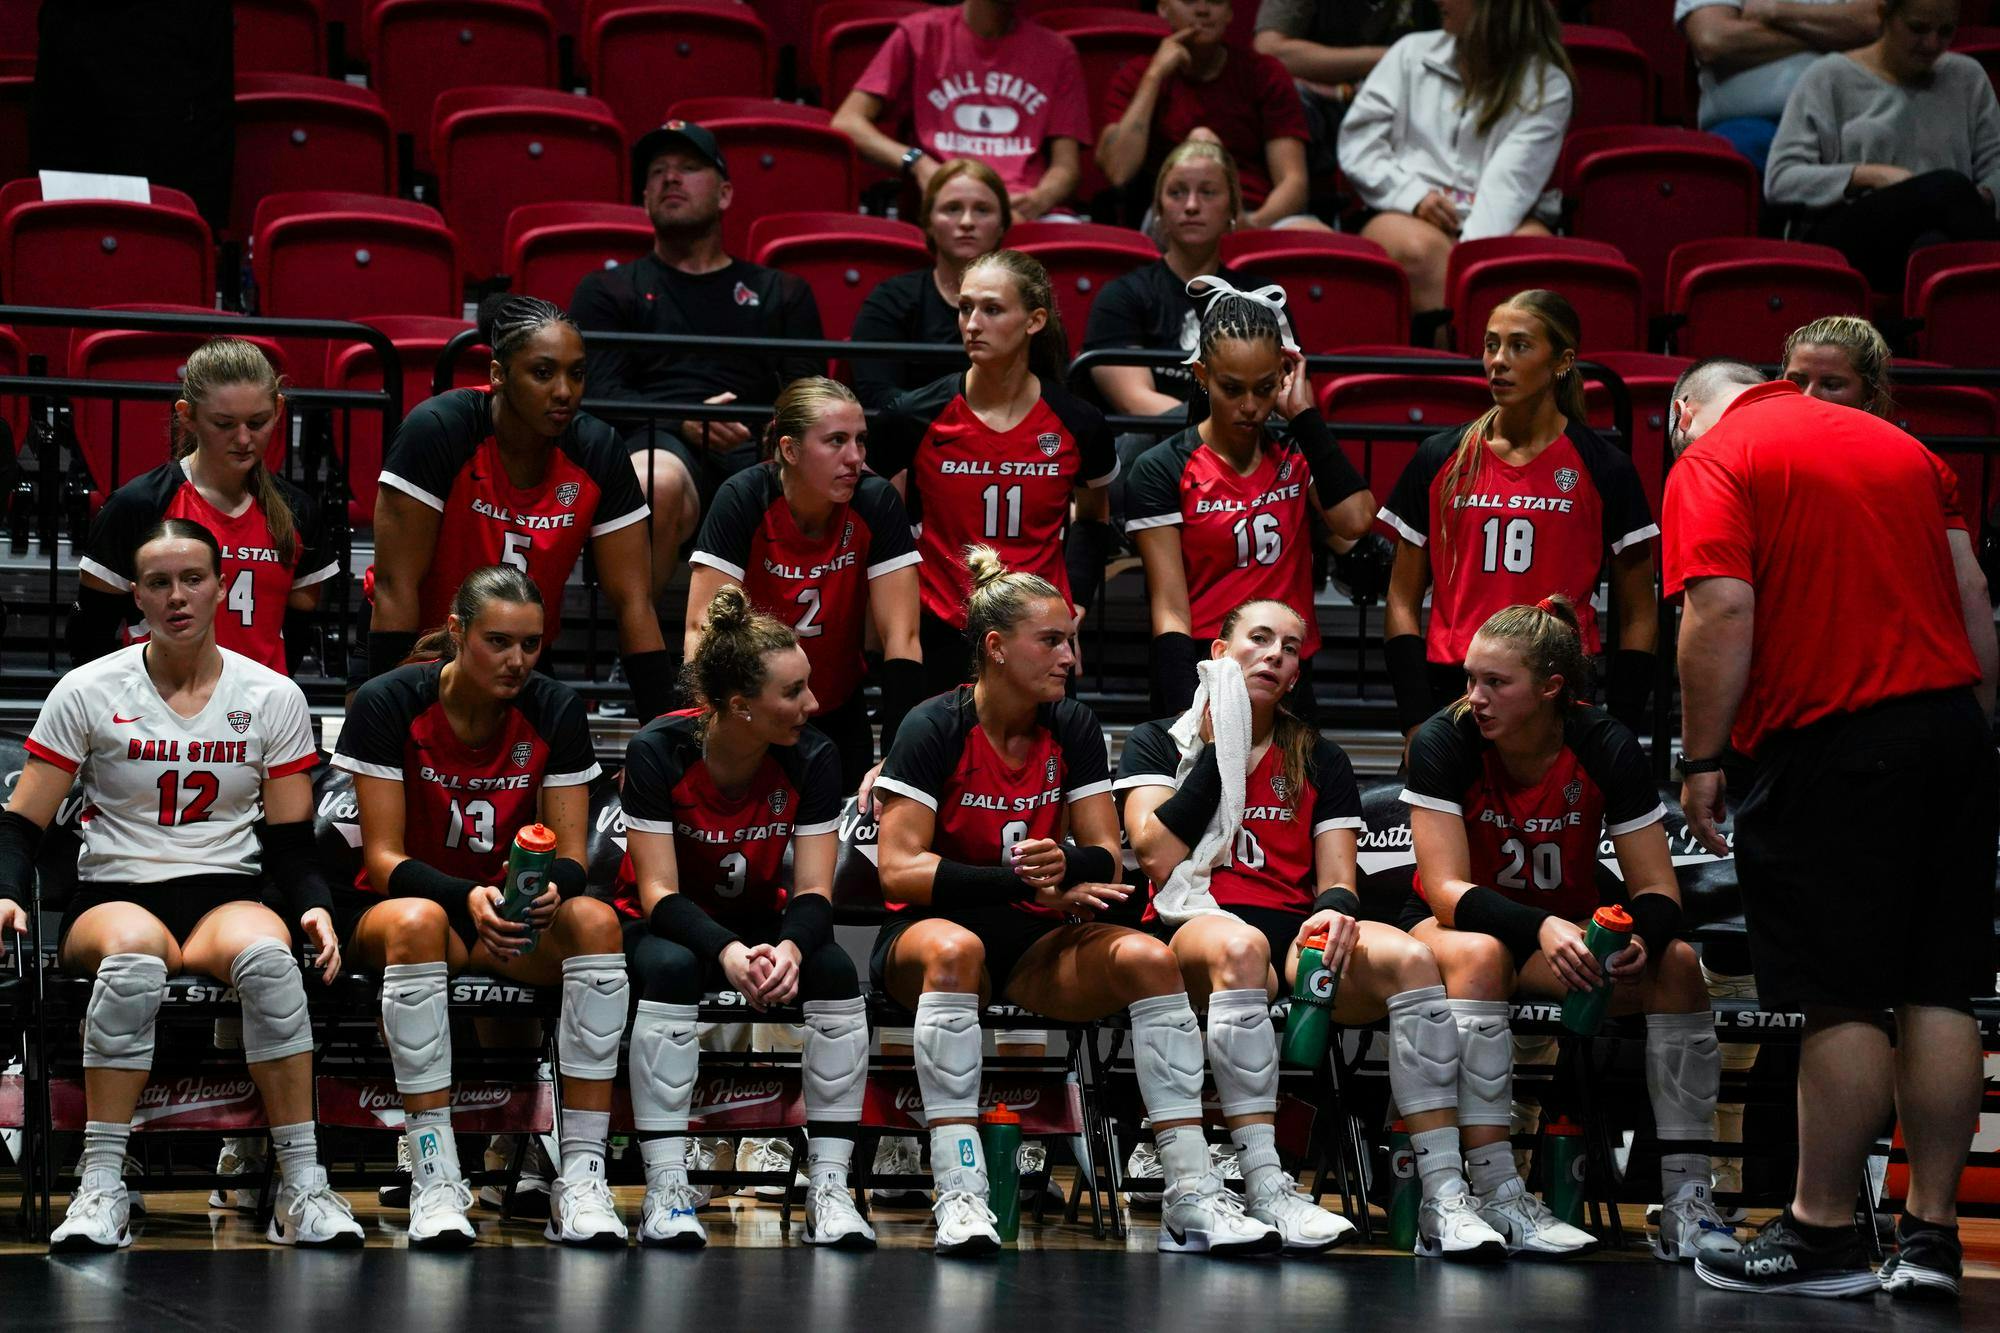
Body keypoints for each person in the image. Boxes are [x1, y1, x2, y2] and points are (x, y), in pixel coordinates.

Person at [1665, 359, 1998, 1300]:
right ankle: (1931, 1235)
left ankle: (1822, 1233)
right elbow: (1975, 601)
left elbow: (1720, 606)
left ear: (1685, 410)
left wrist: (1703, 758)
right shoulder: (1906, 448)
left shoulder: (1718, 454)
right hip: (1950, 734)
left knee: (1840, 995)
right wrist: (1967, 729)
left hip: (1835, 742)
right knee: (1940, 988)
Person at [872, 545, 1279, 1256]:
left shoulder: (1074, 726)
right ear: (996, 648)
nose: (1072, 658)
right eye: (1053, 641)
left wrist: (1068, 861)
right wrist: (1024, 880)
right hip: (931, 938)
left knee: (1150, 959)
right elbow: (899, 870)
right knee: (955, 948)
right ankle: (961, 1191)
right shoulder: (932, 726)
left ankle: (1190, 1194)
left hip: (1036, 939)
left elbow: (1106, 854)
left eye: (1074, 639)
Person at [0, 518, 359, 1251]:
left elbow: (290, 844)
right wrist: (5, 890)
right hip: (117, 893)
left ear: (222, 586)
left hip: (225, 893)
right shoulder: (89, 689)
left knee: (270, 962)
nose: (177, 596)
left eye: (192, 578)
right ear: (136, 595)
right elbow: (21, 826)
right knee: (132, 963)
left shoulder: (272, 695)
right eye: (158, 583)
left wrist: (317, 907)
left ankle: (302, 1183)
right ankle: (101, 1184)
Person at [1119, 597, 1508, 1258]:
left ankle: (1445, 1197)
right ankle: (1266, 1183)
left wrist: (1336, 908)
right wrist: (1225, 747)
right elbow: (1156, 853)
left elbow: (1338, 877)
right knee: (1241, 948)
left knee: (1413, 959)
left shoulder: (1320, 756)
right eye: (1260, 638)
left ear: (1297, 674)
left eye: (1291, 647)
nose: (1275, 654)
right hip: (1197, 927)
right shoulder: (1160, 739)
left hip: (1295, 935)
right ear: (1219, 653)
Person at [1400, 598, 1740, 1263]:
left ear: (1553, 688)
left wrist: (1638, 936)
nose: (1476, 697)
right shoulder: (1447, 738)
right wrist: (1544, 924)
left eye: (1497, 682)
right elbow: (1444, 891)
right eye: (1471, 678)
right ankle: (1494, 1190)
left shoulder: (1604, 743)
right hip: (1460, 929)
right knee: (1482, 952)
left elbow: (1656, 890)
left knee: (1674, 962)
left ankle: (1686, 1201)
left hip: (1568, 939)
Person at [335, 566, 633, 1248]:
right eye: (498, 641)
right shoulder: (389, 702)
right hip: (413, 912)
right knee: (417, 921)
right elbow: (381, 860)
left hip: (507, 915)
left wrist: (551, 886)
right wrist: (463, 896)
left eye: (530, 644)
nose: (517, 660)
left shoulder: (555, 707)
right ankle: (436, 1174)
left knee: (596, 921)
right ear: (459, 632)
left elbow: (573, 855)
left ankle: (582, 1175)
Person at [611, 586, 872, 1249]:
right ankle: (668, 1188)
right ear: (738, 706)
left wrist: (787, 949)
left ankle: (831, 1188)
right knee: (669, 968)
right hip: (668, 928)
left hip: (758, 924)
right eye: (794, 692)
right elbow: (658, 895)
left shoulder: (813, 754)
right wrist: (728, 951)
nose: (813, 705)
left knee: (834, 967)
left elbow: (815, 891)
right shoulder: (657, 751)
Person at [366, 296, 673, 718]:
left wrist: (661, 736)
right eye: (542, 373)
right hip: (422, 652)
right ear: (498, 375)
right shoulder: (438, 431)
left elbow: (634, 603)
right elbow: (393, 586)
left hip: (520, 662)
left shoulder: (598, 451)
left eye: (577, 374)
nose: (564, 391)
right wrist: (388, 718)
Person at [1379, 289, 1658, 741]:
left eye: (1519, 346)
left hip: (1558, 690)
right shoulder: (1439, 457)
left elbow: (1641, 612)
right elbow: (1401, 600)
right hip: (1456, 687)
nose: (1498, 360)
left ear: (1562, 361)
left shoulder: (1605, 467)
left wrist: (1620, 727)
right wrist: (1415, 720)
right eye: (1491, 345)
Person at [570, 120, 826, 600]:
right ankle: (635, 656)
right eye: (658, 172)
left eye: (689, 168)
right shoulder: (607, 290)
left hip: (757, 444)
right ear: (645, 198)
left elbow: (809, 393)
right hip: (654, 437)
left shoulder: (781, 292)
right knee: (655, 481)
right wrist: (687, 420)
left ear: (725, 193)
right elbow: (597, 394)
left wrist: (773, 429)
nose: (670, 178)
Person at [869, 250, 1119, 699]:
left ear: (1034, 320)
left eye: (992, 309)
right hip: (942, 629)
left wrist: (1074, 605)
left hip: (1039, 632)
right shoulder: (914, 416)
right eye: (965, 308)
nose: (972, 324)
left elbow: (1094, 520)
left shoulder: (1078, 423)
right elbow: (865, 507)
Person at [1125, 279, 1373, 715]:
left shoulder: (1298, 452)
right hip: (1206, 667)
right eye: (1232, 388)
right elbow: (1170, 609)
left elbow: (1355, 520)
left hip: (1289, 672)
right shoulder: (1162, 467)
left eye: (1263, 388)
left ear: (1283, 374)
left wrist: (1304, 415)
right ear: (1202, 376)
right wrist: (1188, 710)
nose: (1249, 405)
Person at [686, 377, 923, 796]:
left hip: (836, 709)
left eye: (860, 440)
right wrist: (707, 724)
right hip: (753, 714)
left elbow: (902, 637)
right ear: (790, 450)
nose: (855, 458)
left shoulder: (876, 502)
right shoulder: (743, 498)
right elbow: (701, 629)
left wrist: (897, 756)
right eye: (836, 441)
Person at [72, 338, 337, 674]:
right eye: (224, 424)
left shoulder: (299, 513)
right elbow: (90, 632)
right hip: (155, 713)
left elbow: (297, 634)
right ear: (187, 416)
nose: (243, 439)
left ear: (279, 410)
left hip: (257, 716)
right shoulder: (138, 505)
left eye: (257, 423)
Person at [1336, 0, 1572, 313]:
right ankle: (1454, 360)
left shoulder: (1548, 85)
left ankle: (1491, 358)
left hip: (1499, 217)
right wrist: (1413, 196)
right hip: (1406, 209)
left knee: (1528, 255)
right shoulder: (1409, 53)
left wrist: (1469, 258)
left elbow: (1509, 186)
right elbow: (1360, 145)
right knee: (1421, 250)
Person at [1764, 0, 2000, 292]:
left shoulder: (1967, 77)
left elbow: (1996, 164)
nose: (1932, 44)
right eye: (1918, 29)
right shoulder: (1829, 76)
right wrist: (1870, 175)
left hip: (1941, 233)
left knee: (1932, 248)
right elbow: (1780, 180)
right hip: (1850, 232)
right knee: (1946, 188)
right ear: (1884, 15)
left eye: (1945, 32)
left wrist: (1984, 195)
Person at [832, 0, 1092, 223]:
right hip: (949, 206)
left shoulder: (1057, 51)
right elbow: (847, 122)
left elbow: (1066, 168)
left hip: (1024, 210)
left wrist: (1038, 200)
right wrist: (919, 164)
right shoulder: (919, 34)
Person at [1098, 0, 1323, 231]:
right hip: (1172, 218)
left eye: (1215, 1)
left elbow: (1293, 182)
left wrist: (1252, 224)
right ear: (1163, 8)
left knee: (1319, 236)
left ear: (1229, 13)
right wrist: (1155, 75)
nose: (1203, 10)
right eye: (1189, 0)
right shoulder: (1137, 76)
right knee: (1202, 142)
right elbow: (1118, 171)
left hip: (1252, 215)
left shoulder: (1264, 73)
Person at [850, 159, 1007, 412]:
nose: (967, 221)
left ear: (1002, 226)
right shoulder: (891, 299)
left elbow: (1050, 390)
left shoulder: (1028, 304)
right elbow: (877, 395)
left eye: (982, 209)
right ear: (929, 223)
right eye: (952, 208)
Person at [1677, 0, 1882, 174]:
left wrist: (1773, 10)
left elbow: (1873, 23)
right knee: (1725, 165)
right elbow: (1713, 39)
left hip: (1847, 125)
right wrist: (1834, 34)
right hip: (1748, 126)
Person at [1252, 0, 1441, 178]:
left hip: (1412, 100)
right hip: (1321, 106)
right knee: (1288, 96)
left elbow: (1460, 43)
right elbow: (1269, 50)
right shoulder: (1402, 53)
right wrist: (1393, 56)